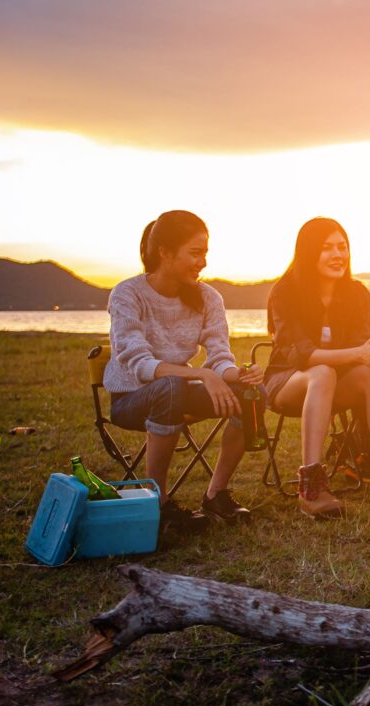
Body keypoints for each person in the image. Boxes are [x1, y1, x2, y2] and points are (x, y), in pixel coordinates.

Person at [104, 210, 262, 531]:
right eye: (194, 253)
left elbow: (219, 356)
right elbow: (139, 363)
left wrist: (238, 375)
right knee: (172, 386)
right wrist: (202, 375)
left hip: (177, 393)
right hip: (131, 399)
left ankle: (216, 494)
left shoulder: (208, 297)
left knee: (251, 392)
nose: (203, 262)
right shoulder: (127, 294)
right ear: (165, 252)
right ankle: (159, 504)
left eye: (205, 253)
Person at [265, 217, 370, 519]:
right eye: (327, 247)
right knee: (322, 371)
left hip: (335, 385)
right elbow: (302, 355)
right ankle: (311, 487)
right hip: (287, 383)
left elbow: (359, 347)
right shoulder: (285, 291)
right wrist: (358, 352)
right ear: (308, 251)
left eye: (342, 247)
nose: (337, 254)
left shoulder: (356, 293)